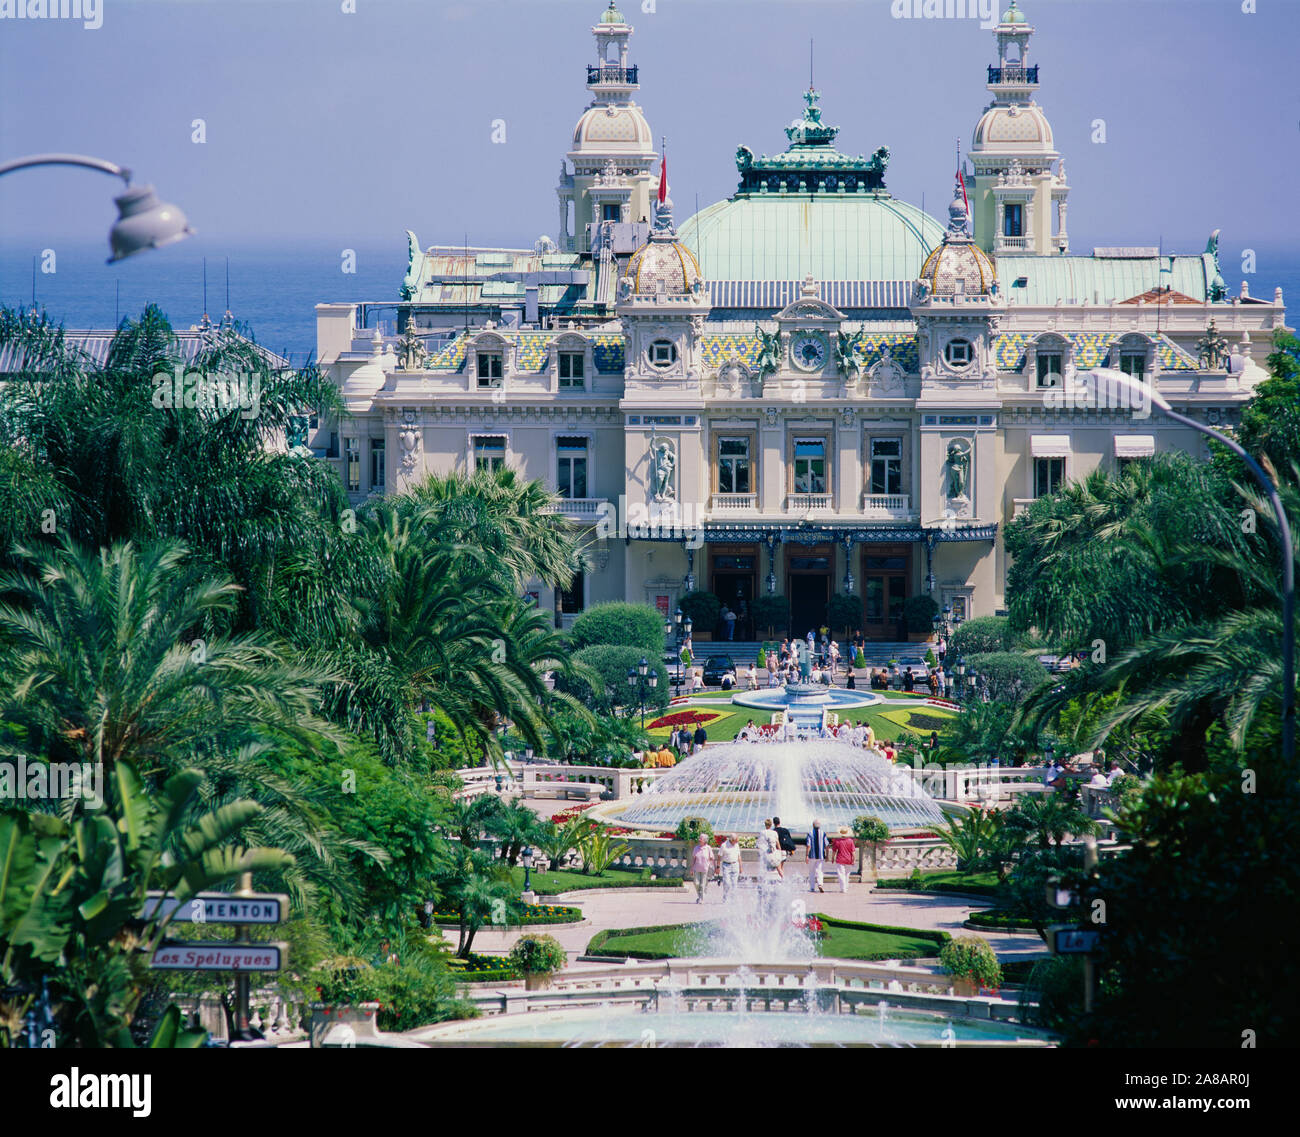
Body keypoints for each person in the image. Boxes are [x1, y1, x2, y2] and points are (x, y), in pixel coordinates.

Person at [830, 826, 856, 893]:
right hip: (848, 859)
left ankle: (843, 888)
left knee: (841, 874)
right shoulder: (850, 841)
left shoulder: (837, 841)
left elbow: (834, 851)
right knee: (847, 874)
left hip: (840, 859)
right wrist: (854, 859)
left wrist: (832, 858)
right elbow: (853, 852)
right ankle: (846, 887)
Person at [806, 818, 829, 893]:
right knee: (820, 871)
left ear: (813, 825)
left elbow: (808, 845)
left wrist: (806, 855)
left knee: (811, 872)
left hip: (812, 856)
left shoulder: (810, 833)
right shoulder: (823, 833)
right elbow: (827, 845)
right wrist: (827, 855)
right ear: (820, 826)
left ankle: (812, 887)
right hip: (821, 856)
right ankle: (820, 884)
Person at [690, 834, 715, 904]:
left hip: (705, 869)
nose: (699, 840)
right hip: (696, 868)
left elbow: (712, 858)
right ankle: (700, 896)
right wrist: (691, 868)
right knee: (696, 883)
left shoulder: (708, 848)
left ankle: (701, 898)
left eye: (701, 839)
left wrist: (712, 866)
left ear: (705, 841)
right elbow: (693, 859)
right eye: (699, 838)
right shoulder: (696, 848)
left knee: (702, 884)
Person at [718, 833, 742, 898]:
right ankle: (725, 896)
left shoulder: (736, 845)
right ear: (731, 840)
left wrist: (740, 867)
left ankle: (733, 899)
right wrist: (718, 867)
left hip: (735, 865)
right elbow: (719, 856)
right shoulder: (724, 845)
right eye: (736, 840)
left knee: (734, 884)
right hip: (726, 865)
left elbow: (739, 856)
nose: (737, 842)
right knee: (727, 883)